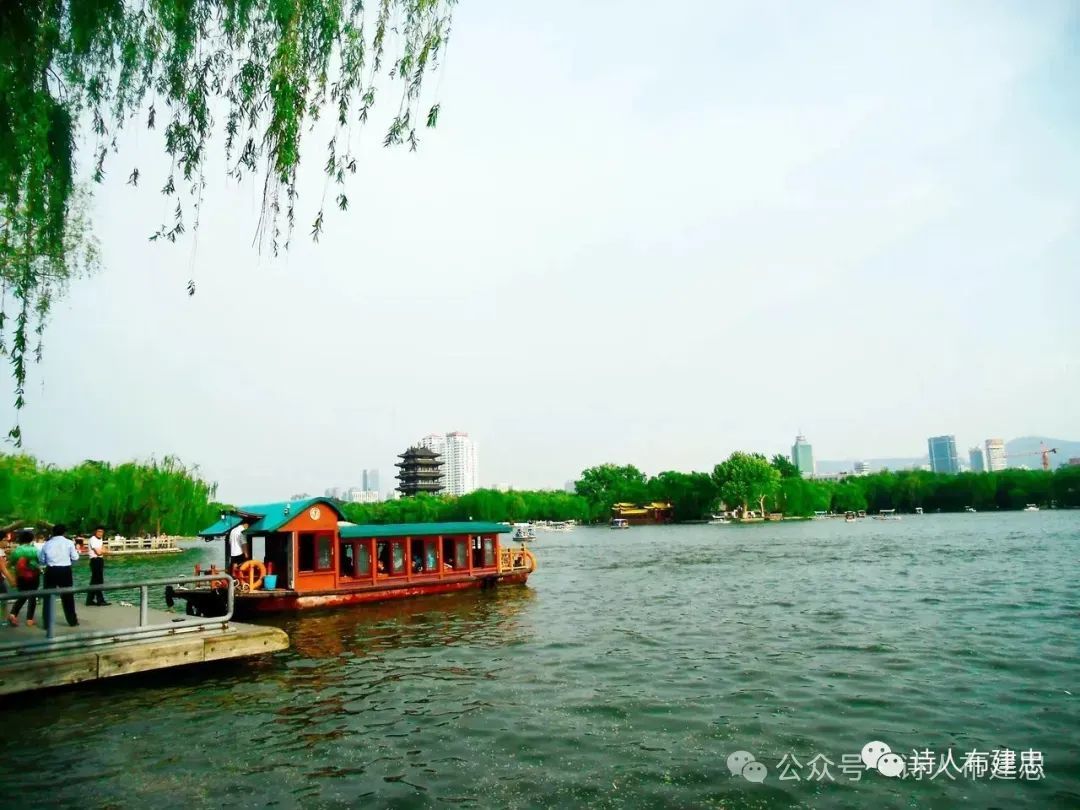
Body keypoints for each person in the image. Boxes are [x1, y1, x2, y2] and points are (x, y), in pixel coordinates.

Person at [38, 524, 80, 628]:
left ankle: (47, 623)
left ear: (53, 532)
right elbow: (75, 557)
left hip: (51, 571)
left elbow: (42, 560)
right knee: (68, 596)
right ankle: (72, 621)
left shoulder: (47, 544)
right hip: (65, 570)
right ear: (64, 532)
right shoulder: (69, 543)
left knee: (48, 597)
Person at [8, 530, 42, 626]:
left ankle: (13, 614)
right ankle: (29, 619)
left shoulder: (16, 551)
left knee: (22, 595)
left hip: (21, 576)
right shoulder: (35, 550)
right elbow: (41, 560)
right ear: (31, 539)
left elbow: (10, 564)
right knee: (32, 596)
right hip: (34, 576)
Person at [85, 525, 110, 606]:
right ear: (95, 532)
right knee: (97, 581)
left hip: (100, 560)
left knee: (94, 581)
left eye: (102, 532)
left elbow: (103, 549)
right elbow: (98, 552)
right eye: (98, 531)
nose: (100, 533)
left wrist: (103, 550)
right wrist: (105, 551)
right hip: (95, 560)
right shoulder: (93, 539)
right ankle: (100, 600)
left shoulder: (100, 539)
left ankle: (89, 600)